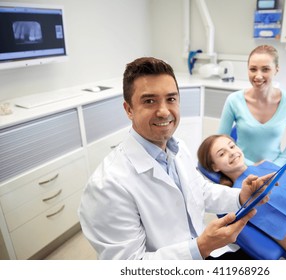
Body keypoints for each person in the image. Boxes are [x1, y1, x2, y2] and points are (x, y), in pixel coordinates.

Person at [78, 57, 272, 260]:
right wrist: (201, 247)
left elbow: (200, 192)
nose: (163, 111)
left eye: (171, 99)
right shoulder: (107, 186)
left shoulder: (178, 148)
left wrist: (240, 196)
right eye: (149, 101)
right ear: (129, 110)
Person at [218, 45, 286, 167]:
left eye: (265, 69)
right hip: (241, 167)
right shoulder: (234, 100)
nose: (258, 76)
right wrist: (252, 166)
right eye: (253, 69)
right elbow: (221, 140)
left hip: (274, 170)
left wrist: (275, 166)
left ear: (276, 70)